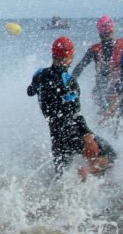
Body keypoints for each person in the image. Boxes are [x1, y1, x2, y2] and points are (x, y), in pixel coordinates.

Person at [27, 37, 115, 179]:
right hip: (74, 133)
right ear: (69, 56)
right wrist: (87, 137)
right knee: (110, 156)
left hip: (56, 136)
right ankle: (87, 172)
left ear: (53, 54)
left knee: (60, 177)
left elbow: (30, 91)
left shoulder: (39, 74)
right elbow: (76, 113)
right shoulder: (68, 80)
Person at [71, 16, 123, 115]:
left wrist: (69, 83)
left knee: (103, 117)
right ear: (113, 30)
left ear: (99, 32)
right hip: (118, 89)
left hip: (99, 92)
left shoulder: (94, 49)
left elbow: (80, 67)